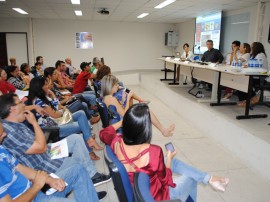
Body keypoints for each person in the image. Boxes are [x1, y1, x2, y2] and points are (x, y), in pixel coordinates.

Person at [100, 103, 229, 201]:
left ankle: (210, 179)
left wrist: (124, 121)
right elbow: (166, 180)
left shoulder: (116, 140)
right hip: (156, 194)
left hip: (137, 185)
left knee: (175, 163)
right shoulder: (152, 152)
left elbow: (103, 133)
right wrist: (168, 160)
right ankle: (208, 179)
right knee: (191, 179)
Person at [0, 93, 111, 189]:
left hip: (48, 152)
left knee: (76, 139)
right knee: (78, 163)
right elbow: (40, 148)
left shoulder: (13, 123)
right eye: (20, 102)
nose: (24, 105)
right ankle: (87, 177)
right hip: (43, 163)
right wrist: (34, 123)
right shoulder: (9, 132)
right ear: (12, 109)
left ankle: (92, 175)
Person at [0, 122, 104, 202]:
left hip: (47, 158)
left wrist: (49, 180)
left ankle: (90, 189)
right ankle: (89, 188)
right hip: (44, 166)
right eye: (0, 134)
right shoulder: (12, 132)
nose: (4, 134)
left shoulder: (2, 147)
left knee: (78, 166)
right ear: (12, 109)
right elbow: (41, 147)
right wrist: (37, 186)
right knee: (75, 143)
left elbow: (20, 167)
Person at [27, 77, 102, 160]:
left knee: (81, 113)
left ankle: (89, 140)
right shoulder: (38, 101)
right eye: (45, 85)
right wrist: (62, 110)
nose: (47, 86)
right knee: (85, 124)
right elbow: (56, 114)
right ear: (39, 88)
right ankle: (89, 150)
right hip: (53, 127)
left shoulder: (43, 97)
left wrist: (54, 97)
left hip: (58, 121)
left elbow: (57, 108)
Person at [101, 75, 174, 137]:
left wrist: (123, 101)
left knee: (144, 108)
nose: (118, 86)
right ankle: (163, 130)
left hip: (118, 121)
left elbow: (117, 110)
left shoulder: (106, 98)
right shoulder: (112, 99)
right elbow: (124, 114)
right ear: (110, 86)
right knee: (146, 111)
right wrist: (128, 97)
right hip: (124, 122)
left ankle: (163, 130)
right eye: (116, 84)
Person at [237, 42, 268, 107]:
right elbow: (248, 64)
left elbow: (256, 66)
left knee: (243, 82)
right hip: (253, 76)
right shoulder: (254, 55)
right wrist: (247, 66)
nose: (251, 48)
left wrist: (247, 66)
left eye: (252, 47)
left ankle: (249, 100)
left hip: (259, 78)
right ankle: (246, 99)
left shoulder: (260, 55)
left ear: (256, 48)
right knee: (239, 81)